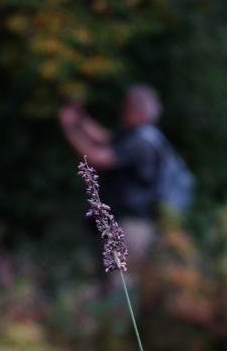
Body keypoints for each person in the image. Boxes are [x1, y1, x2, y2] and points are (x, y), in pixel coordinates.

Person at [58, 85, 167, 266]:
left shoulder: (140, 142)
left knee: (120, 284)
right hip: (124, 222)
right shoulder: (136, 135)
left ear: (140, 111)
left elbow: (97, 158)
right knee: (113, 280)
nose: (123, 112)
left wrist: (69, 128)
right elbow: (102, 137)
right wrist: (80, 117)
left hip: (131, 225)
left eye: (128, 107)